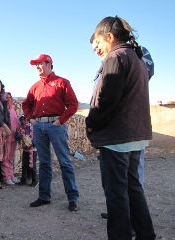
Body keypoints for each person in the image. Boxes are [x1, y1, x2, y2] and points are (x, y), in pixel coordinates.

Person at [86, 16, 156, 239]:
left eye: (98, 42)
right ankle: (146, 234)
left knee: (116, 194)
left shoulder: (116, 57)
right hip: (135, 136)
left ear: (109, 36)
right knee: (133, 189)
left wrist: (91, 123)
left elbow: (108, 100)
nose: (97, 47)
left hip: (117, 138)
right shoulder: (136, 57)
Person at [22, 54, 79, 211]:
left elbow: (73, 104)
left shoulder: (62, 83)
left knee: (65, 162)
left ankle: (73, 198)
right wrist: (31, 119)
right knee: (45, 163)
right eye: (36, 64)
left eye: (40, 64)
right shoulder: (34, 87)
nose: (37, 67)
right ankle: (44, 196)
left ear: (49, 64)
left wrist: (60, 121)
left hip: (56, 126)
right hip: (39, 127)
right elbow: (26, 105)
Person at [2, 92, 20, 185]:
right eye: (6, 97)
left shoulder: (12, 110)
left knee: (11, 157)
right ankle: (6, 176)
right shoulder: (3, 109)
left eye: (10, 97)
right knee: (6, 157)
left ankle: (11, 175)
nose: (8, 99)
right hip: (6, 137)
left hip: (14, 136)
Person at [17, 114, 38, 187]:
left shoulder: (32, 128)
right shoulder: (22, 129)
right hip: (26, 149)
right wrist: (17, 133)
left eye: (24, 119)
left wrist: (33, 143)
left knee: (33, 165)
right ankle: (23, 179)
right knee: (24, 164)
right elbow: (19, 137)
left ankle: (34, 179)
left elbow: (36, 136)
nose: (23, 121)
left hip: (33, 149)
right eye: (22, 120)